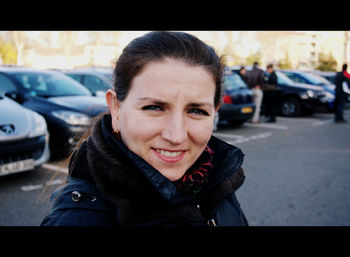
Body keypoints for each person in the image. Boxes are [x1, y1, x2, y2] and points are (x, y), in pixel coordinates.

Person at [40, 31, 248, 227]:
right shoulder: (76, 220)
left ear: (215, 112)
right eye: (154, 107)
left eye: (197, 111)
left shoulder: (216, 181)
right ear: (116, 108)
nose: (176, 136)